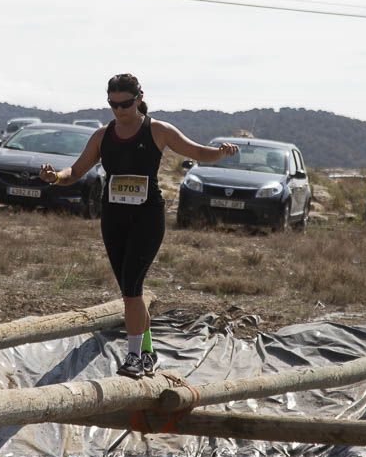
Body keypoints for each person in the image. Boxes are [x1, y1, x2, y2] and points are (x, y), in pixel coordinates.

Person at [40, 73, 238, 378]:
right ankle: (148, 352)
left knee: (132, 290)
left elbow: (197, 152)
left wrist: (221, 152)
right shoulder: (102, 135)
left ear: (139, 98)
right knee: (130, 292)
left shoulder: (157, 130)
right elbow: (76, 170)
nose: (119, 110)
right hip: (113, 218)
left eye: (126, 104)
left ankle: (133, 357)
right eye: (113, 104)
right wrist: (55, 178)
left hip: (147, 218)